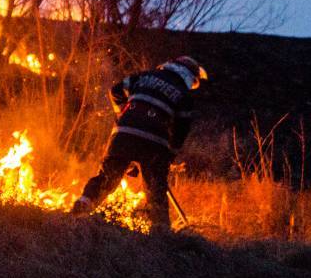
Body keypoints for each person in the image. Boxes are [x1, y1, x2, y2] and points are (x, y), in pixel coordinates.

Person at [71, 56, 208, 232]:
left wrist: (122, 114)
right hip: (154, 143)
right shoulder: (183, 94)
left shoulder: (144, 76)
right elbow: (181, 128)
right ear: (190, 76)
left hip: (123, 135)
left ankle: (82, 207)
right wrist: (170, 154)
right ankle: (161, 232)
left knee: (108, 177)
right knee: (155, 189)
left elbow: (116, 90)